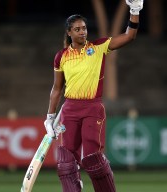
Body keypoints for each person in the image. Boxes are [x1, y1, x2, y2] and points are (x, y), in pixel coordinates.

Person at [44, 0, 144, 191]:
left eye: (84, 28)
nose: (82, 32)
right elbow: (57, 88)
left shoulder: (99, 47)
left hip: (92, 108)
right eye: (77, 29)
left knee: (93, 160)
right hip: (70, 110)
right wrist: (49, 117)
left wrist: (135, 10)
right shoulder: (61, 56)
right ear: (69, 32)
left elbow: (130, 36)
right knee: (66, 162)